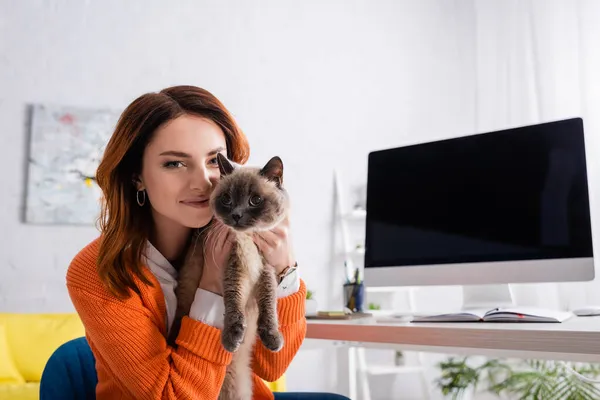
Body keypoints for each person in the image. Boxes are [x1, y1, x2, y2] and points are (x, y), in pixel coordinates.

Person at [64, 85, 348, 400]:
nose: (203, 182)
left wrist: (285, 271)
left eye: (214, 161)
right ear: (137, 177)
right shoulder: (97, 270)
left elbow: (272, 365)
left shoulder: (240, 236)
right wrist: (212, 287)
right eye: (174, 163)